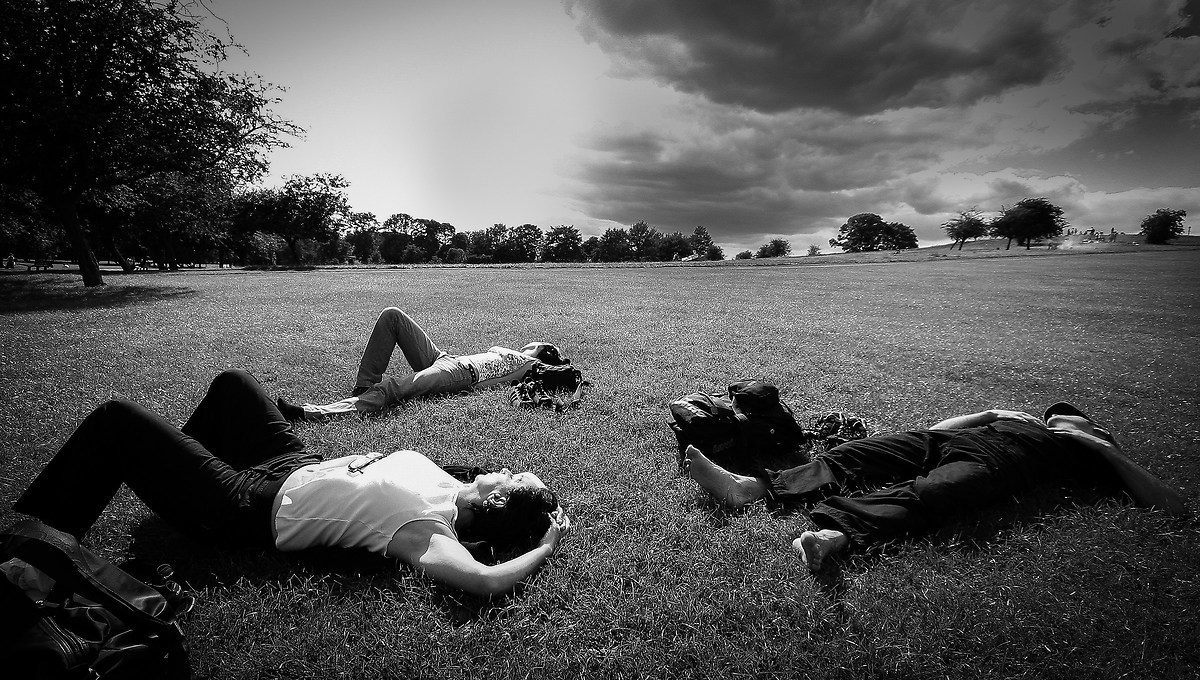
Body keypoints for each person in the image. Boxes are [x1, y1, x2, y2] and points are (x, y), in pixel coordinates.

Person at [12, 369, 571, 597]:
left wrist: (545, 543)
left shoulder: (427, 531)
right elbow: (483, 486)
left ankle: (28, 549)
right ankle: (171, 477)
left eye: (514, 473)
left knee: (116, 420)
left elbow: (485, 582)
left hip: (246, 505)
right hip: (289, 459)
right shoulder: (457, 482)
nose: (506, 464)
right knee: (235, 386)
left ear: (496, 497)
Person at [683, 403, 1186, 572]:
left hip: (1002, 464)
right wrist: (991, 413)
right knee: (854, 454)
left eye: (1068, 418)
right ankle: (749, 489)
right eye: (1056, 414)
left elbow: (1173, 506)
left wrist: (1096, 445)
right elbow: (942, 428)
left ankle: (833, 537)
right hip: (944, 442)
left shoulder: (1088, 452)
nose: (1057, 418)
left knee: (937, 494)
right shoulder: (1024, 420)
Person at [279, 307, 569, 419]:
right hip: (446, 359)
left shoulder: (525, 364)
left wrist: (472, 386)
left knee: (392, 388)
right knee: (392, 316)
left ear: (542, 351)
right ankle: (363, 387)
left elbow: (499, 381)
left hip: (461, 374)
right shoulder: (510, 353)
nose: (531, 342)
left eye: (538, 343)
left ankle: (311, 413)